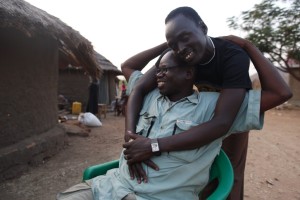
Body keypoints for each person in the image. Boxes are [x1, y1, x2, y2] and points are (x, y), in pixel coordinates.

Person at [56, 35, 292, 200]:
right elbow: (128, 66)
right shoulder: (150, 96)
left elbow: (281, 92)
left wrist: (248, 46)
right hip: (110, 186)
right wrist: (168, 46)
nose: (157, 73)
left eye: (165, 68)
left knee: (232, 178)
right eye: (157, 69)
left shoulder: (215, 106)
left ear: (189, 73)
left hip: (157, 196)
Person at [123, 7, 252, 199]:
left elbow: (224, 121)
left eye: (185, 37)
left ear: (203, 27)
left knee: (231, 173)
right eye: (174, 43)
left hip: (230, 115)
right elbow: (139, 88)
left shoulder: (231, 55)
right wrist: (131, 139)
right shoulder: (178, 54)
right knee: (199, 170)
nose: (181, 47)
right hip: (202, 115)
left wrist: (154, 145)